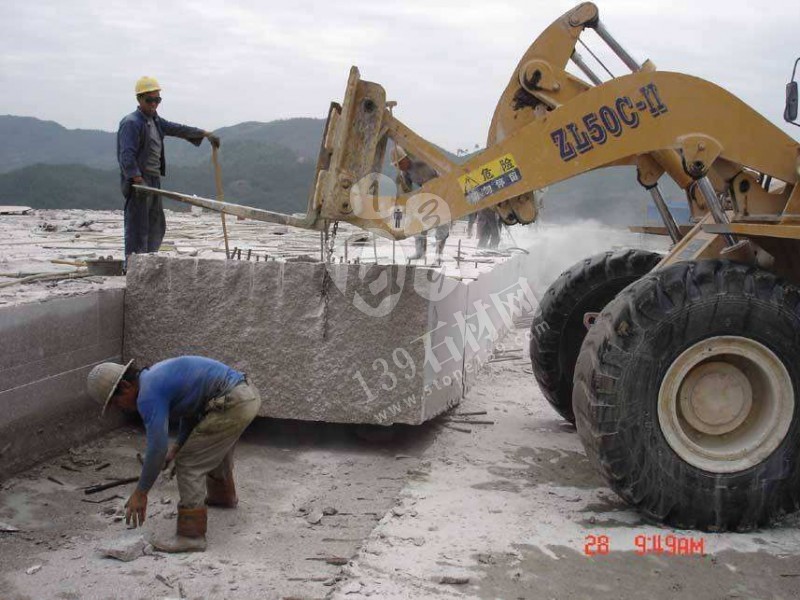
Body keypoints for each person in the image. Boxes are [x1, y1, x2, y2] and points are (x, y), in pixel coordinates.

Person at [86, 356, 262, 553]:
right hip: (244, 396)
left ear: (126, 386)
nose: (121, 408)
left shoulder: (147, 395)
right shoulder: (155, 377)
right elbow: (191, 411)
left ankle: (191, 537)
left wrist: (141, 493)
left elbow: (157, 448)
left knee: (189, 463)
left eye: (116, 401)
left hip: (232, 402)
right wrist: (177, 447)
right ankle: (223, 496)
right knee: (208, 449)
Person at [117, 76, 221, 257]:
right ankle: (134, 265)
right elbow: (126, 155)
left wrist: (204, 134)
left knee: (156, 224)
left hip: (153, 179)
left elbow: (176, 128)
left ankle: (149, 260)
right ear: (139, 99)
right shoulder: (131, 123)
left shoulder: (155, 120)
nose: (154, 104)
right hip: (139, 182)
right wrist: (137, 180)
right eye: (149, 100)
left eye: (157, 100)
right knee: (138, 226)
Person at [391, 145, 450, 261]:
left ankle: (439, 254)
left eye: (400, 164)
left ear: (405, 159)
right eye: (396, 166)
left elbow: (438, 177)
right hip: (425, 196)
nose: (399, 167)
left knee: (442, 225)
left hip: (441, 193)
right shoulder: (405, 172)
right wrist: (401, 184)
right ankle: (420, 252)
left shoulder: (421, 162)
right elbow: (407, 192)